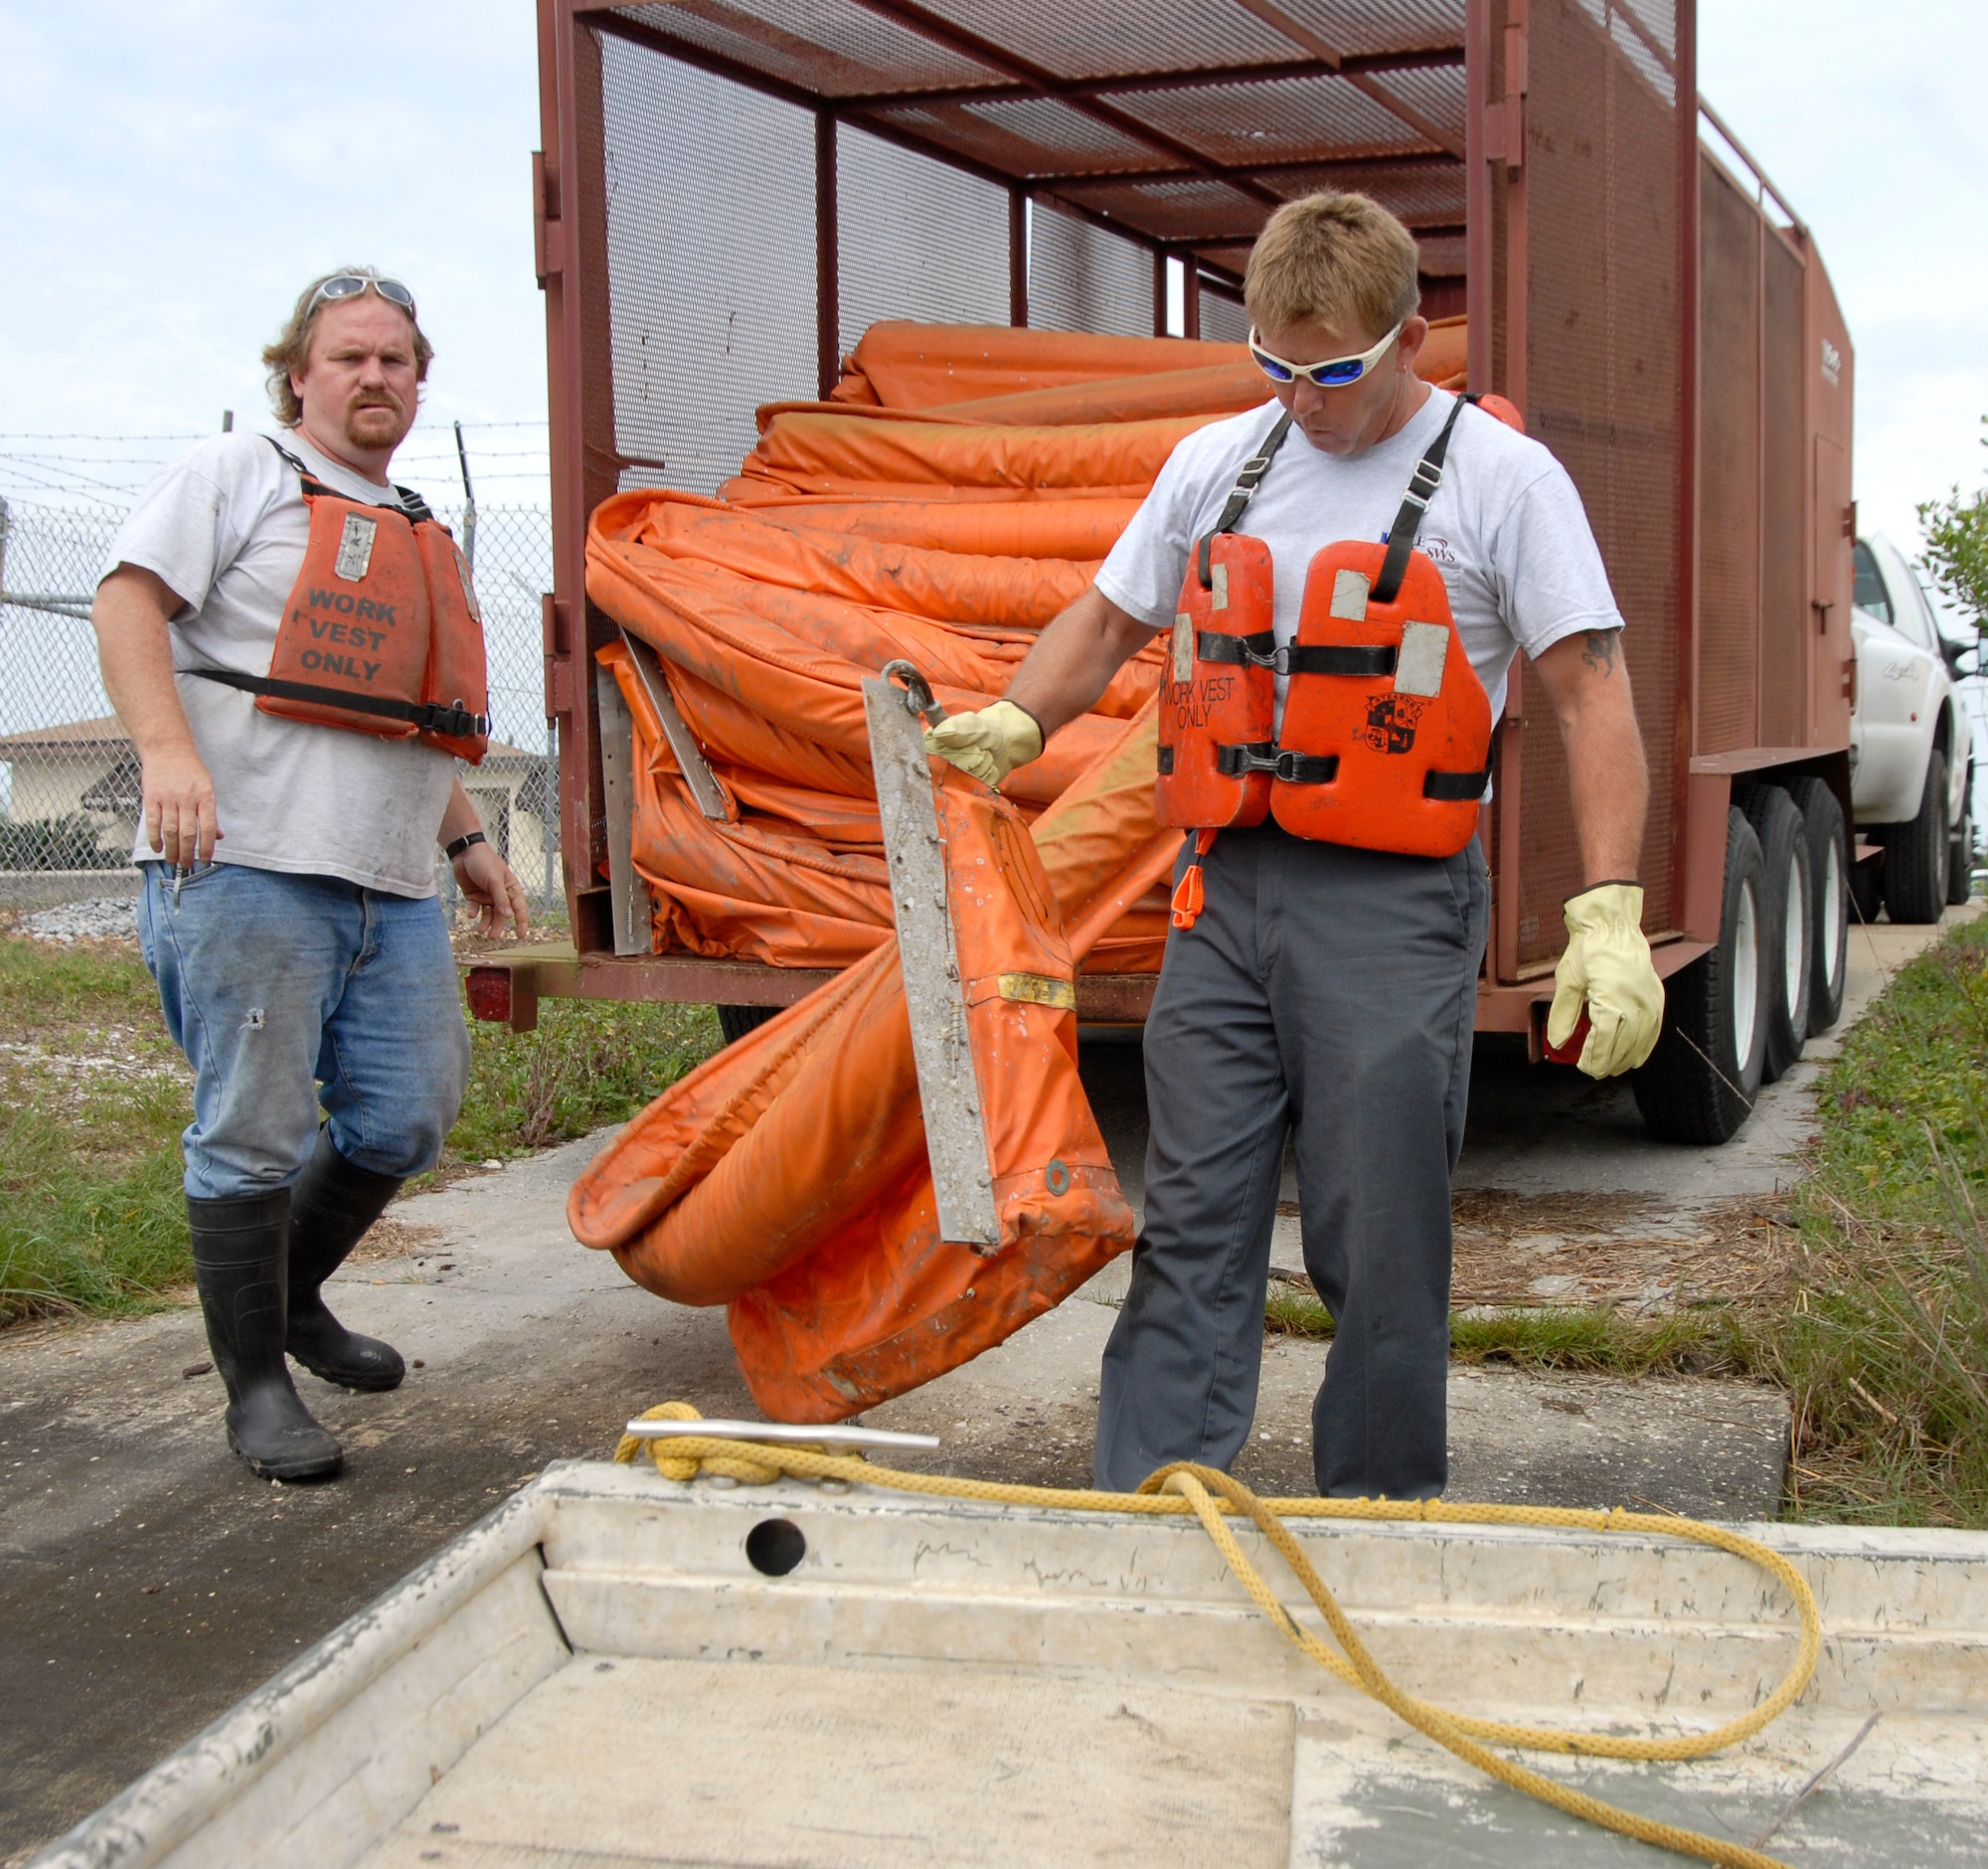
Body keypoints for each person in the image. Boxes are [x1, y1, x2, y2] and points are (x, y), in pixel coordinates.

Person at [927, 195, 1664, 1500]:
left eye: (1331, 371)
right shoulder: (1223, 463)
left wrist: (1606, 910)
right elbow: (1104, 624)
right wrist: (1011, 718)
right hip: (1224, 896)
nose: (1304, 401)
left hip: (1394, 907)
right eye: (1276, 367)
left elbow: (1590, 690)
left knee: (1376, 1240)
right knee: (1196, 1222)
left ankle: (1379, 1513)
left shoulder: (1503, 483)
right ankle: (1158, 1501)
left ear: (1411, 344)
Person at [92, 268, 529, 1482]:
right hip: (246, 860)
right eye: (349, 358)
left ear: (419, 375)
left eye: (395, 359)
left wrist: (464, 840)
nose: (374, 377)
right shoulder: (239, 472)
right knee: (255, 1132)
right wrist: (167, 752)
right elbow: (126, 599)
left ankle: (285, 1300)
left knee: (407, 1111)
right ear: (300, 371)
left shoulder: (408, 518)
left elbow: (391, 709)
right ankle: (258, 1388)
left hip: (388, 877)